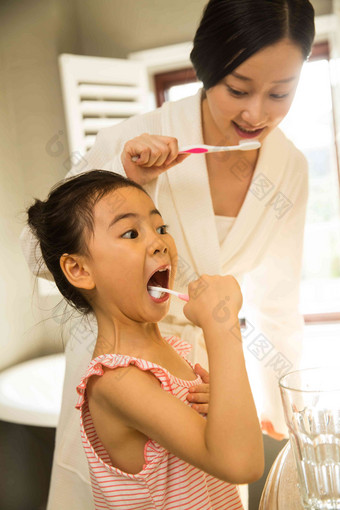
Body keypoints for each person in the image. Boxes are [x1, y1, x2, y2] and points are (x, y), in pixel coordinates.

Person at [20, 0, 315, 508]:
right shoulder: (131, 142)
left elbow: (278, 298)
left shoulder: (289, 168)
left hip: (204, 379)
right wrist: (126, 176)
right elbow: (46, 245)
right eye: (238, 89)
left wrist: (279, 401)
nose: (256, 113)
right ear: (206, 69)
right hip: (135, 361)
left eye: (281, 93)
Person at [27, 169, 264, 509]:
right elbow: (242, 464)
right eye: (130, 233)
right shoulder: (116, 381)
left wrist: (224, 408)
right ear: (79, 270)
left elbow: (231, 448)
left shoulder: (175, 352)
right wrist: (221, 325)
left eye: (161, 227)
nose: (159, 242)